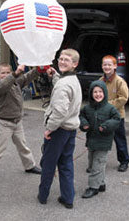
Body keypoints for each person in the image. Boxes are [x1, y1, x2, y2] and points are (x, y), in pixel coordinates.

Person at [0, 63, 42, 191]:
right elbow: (4, 84)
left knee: (23, 146)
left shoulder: (16, 82)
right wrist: (14, 73)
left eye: (8, 72)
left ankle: (29, 166)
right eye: (3, 73)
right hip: (5, 124)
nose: (5, 75)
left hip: (17, 122)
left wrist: (39, 69)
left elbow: (27, 77)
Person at [38, 49, 82, 209]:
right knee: (66, 164)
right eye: (61, 58)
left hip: (59, 130)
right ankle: (68, 197)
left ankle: (42, 196)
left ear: (75, 64)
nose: (62, 61)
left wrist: (50, 128)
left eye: (67, 60)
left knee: (48, 164)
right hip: (70, 130)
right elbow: (63, 85)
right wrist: (55, 75)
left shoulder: (63, 85)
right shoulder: (72, 79)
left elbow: (60, 111)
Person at [79, 80, 121, 199]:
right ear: (91, 94)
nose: (98, 94)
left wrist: (106, 126)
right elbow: (81, 116)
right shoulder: (87, 108)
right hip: (91, 141)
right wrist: (84, 124)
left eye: (100, 92)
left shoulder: (110, 108)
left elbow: (117, 120)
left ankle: (93, 187)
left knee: (98, 164)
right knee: (92, 163)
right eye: (95, 92)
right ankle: (101, 183)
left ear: (105, 93)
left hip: (103, 142)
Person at [100, 55, 129, 172]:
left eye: (109, 64)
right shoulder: (100, 81)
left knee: (119, 139)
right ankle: (99, 161)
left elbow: (123, 98)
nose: (107, 67)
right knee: (101, 138)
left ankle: (124, 161)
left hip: (117, 116)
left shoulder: (119, 82)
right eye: (104, 64)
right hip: (103, 116)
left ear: (115, 66)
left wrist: (108, 106)